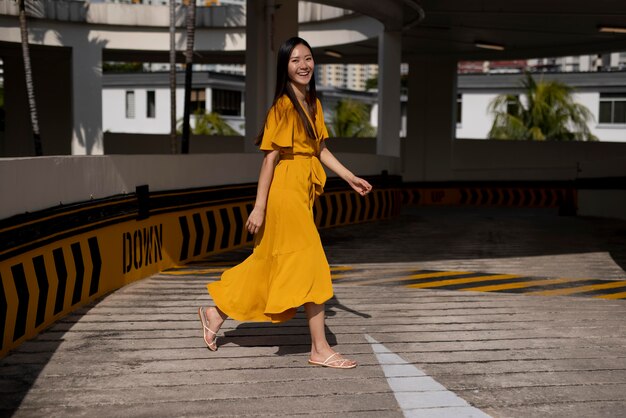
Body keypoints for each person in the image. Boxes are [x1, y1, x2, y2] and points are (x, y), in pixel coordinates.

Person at [198, 37, 372, 369]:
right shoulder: (283, 106)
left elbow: (319, 150)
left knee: (269, 263)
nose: (304, 65)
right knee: (312, 263)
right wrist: (259, 205)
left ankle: (214, 312)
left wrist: (350, 177)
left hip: (302, 191)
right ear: (285, 67)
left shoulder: (313, 103)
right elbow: (270, 159)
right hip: (284, 192)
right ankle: (319, 349)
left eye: (308, 58)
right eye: (295, 61)